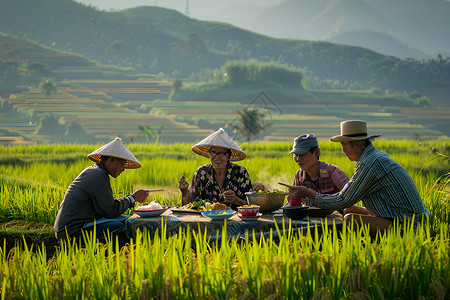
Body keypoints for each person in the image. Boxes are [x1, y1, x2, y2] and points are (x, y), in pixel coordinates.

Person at [280, 120, 430, 236]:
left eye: (343, 145)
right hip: (398, 217)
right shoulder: (373, 158)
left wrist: (308, 194)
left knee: (350, 219)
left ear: (351, 145)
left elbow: (343, 199)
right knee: (348, 211)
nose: (343, 150)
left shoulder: (371, 163)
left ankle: (367, 249)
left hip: (410, 225)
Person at [54, 137, 150, 247]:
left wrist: (131, 199)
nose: (123, 169)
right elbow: (111, 210)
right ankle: (121, 258)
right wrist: (132, 198)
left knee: (128, 220)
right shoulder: (97, 175)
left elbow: (107, 207)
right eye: (122, 163)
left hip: (73, 228)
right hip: (73, 233)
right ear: (111, 159)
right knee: (124, 227)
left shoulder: (96, 172)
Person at [178, 127, 254, 210]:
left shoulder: (240, 173)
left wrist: (236, 200)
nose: (217, 157)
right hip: (207, 219)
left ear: (228, 156)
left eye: (221, 153)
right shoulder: (202, 173)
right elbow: (188, 205)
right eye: (213, 152)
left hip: (235, 219)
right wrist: (184, 191)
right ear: (209, 154)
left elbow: (251, 205)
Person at [287, 133, 349, 207]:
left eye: (302, 154)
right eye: (295, 155)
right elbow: (295, 204)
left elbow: (350, 196)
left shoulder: (333, 172)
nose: (298, 159)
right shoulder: (299, 176)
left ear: (316, 152)